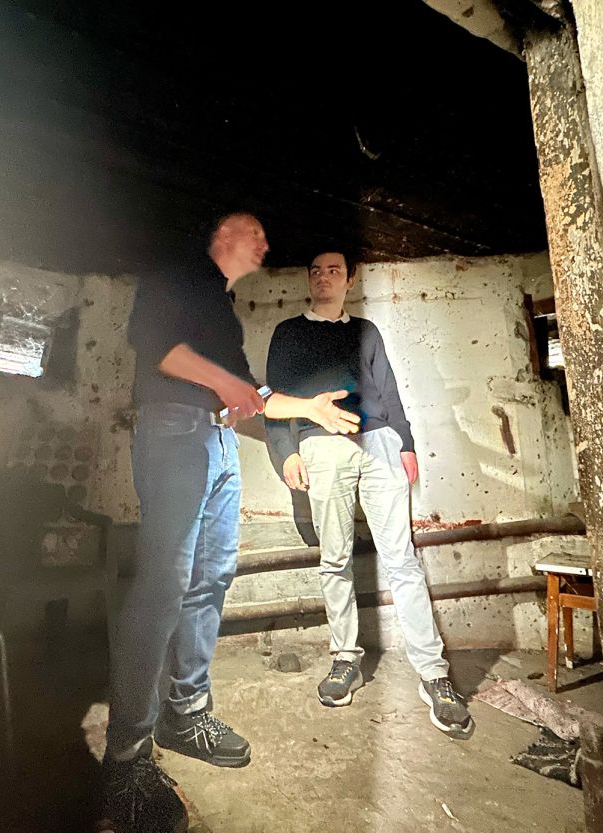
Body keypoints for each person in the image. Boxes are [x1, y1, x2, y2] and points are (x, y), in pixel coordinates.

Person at [99, 217, 361, 831]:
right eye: (255, 235)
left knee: (210, 580)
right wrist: (224, 384)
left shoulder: (222, 309)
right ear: (222, 237)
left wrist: (309, 410)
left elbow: (249, 395)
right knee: (162, 589)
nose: (265, 246)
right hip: (172, 433)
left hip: (216, 447)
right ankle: (125, 761)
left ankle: (186, 714)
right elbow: (155, 345)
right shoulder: (178, 273)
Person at [264, 250, 475, 740]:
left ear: (350, 280)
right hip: (319, 444)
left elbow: (391, 389)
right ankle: (345, 659)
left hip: (378, 441)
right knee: (334, 560)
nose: (323, 277)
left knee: (401, 559)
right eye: (315, 270)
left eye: (333, 270)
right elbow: (271, 398)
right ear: (308, 279)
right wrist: (285, 454)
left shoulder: (367, 331)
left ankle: (434, 675)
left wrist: (406, 441)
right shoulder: (289, 333)